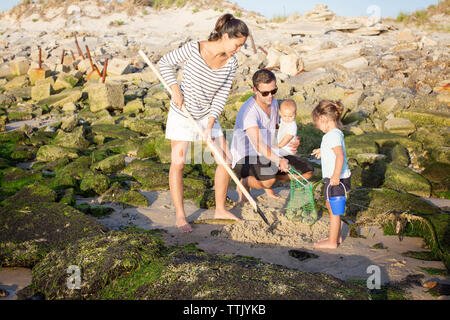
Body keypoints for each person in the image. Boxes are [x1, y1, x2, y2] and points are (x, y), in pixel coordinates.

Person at [158, 13, 249, 233]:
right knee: (178, 163)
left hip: (208, 116)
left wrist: (209, 125)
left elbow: (221, 95)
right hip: (183, 113)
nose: (238, 49)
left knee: (225, 160)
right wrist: (175, 89)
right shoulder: (194, 49)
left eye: (242, 46)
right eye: (237, 44)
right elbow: (164, 63)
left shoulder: (232, 62)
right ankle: (180, 215)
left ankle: (219, 208)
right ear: (225, 36)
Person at [230, 69, 313, 202]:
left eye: (273, 91)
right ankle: (244, 183)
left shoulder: (273, 103)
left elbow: (276, 131)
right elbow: (258, 145)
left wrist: (291, 141)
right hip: (246, 157)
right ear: (255, 90)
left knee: (307, 172)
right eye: (265, 92)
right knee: (269, 178)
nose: (270, 96)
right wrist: (279, 160)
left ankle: (268, 180)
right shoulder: (249, 111)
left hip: (268, 152)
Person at [311, 100, 351, 249]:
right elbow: (334, 151)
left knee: (334, 210)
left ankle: (332, 242)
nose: (317, 126)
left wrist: (335, 176)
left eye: (317, 123)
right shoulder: (335, 134)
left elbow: (340, 156)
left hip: (337, 178)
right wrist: (322, 151)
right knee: (331, 206)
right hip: (338, 177)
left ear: (324, 119)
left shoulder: (332, 136)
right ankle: (337, 236)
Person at [263, 99, 298, 199]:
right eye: (285, 116)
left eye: (291, 116)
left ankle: (282, 168)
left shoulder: (292, 126)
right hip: (281, 147)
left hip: (286, 150)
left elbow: (284, 141)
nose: (287, 119)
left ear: (295, 114)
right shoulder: (282, 119)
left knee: (268, 153)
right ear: (280, 113)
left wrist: (274, 146)